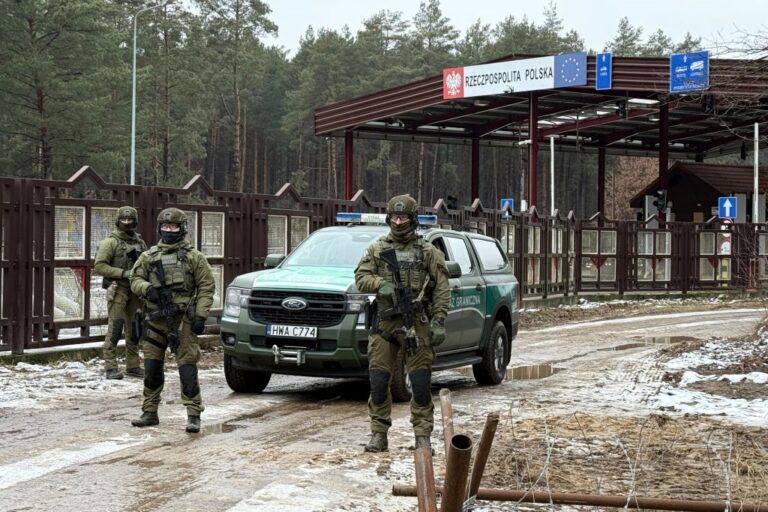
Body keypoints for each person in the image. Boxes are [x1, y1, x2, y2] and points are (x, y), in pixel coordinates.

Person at [354, 194, 450, 452]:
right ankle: (379, 434)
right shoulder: (377, 249)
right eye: (395, 217)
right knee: (378, 382)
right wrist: (380, 285)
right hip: (385, 323)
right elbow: (360, 278)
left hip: (417, 322)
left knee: (420, 383)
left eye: (403, 218)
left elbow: (442, 288)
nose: (398, 222)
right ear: (389, 218)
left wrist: (439, 319)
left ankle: (422, 437)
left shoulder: (428, 251)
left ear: (412, 219)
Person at [129, 208, 215, 433]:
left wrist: (201, 316)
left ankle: (193, 414)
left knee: (187, 368)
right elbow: (134, 279)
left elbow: (206, 287)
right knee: (151, 368)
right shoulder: (149, 256)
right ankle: (149, 412)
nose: (168, 230)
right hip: (155, 320)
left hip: (183, 320)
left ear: (182, 229)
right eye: (165, 227)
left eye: (173, 227)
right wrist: (147, 288)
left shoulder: (194, 257)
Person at [94, 206, 147, 380]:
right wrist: (123, 273)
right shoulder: (110, 242)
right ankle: (111, 367)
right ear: (118, 221)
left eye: (130, 220)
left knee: (135, 329)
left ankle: (133, 365)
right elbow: (100, 266)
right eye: (123, 220)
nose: (126, 223)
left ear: (135, 221)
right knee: (115, 328)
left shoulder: (140, 243)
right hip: (118, 289)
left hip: (136, 290)